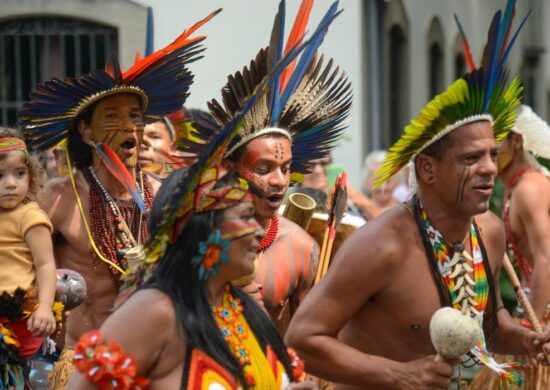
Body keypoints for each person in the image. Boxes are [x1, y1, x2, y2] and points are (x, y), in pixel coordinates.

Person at [286, 3, 550, 389]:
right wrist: (399, 374)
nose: (490, 168)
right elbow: (302, 339)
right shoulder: (380, 246)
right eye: (471, 158)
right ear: (427, 169)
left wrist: (527, 339)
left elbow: (489, 326)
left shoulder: (489, 232)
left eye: (493, 155)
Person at [18, 10, 219, 387]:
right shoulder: (60, 198)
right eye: (113, 116)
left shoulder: (163, 196)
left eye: (135, 116)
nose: (129, 127)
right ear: (85, 130)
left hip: (150, 367)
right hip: (78, 365)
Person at [200, 0, 351, 335]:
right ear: (229, 168)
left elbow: (310, 344)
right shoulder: (193, 237)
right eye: (265, 167)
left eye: (286, 168)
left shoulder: (300, 248)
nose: (280, 181)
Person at [469, 104, 550, 389]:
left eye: (495, 146)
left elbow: (545, 260)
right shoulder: (513, 189)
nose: (488, 157)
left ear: (516, 142)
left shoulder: (529, 188)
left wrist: (534, 331)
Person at [0, 128, 60, 388]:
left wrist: (46, 307)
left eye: (19, 173)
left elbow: (45, 264)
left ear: (31, 175)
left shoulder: (30, 216)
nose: (11, 183)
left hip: (20, 319)